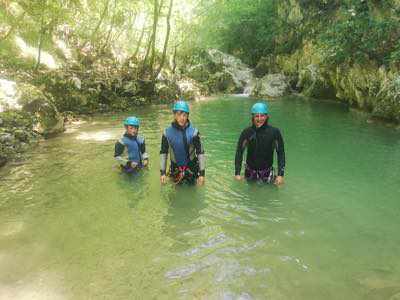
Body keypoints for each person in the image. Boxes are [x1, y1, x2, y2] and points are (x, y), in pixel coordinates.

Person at [234, 102, 285, 185]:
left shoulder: (274, 132)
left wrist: (280, 175)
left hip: (267, 173)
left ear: (267, 116)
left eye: (262, 116)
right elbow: (239, 152)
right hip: (250, 173)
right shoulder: (247, 132)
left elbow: (281, 153)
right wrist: (237, 173)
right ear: (253, 117)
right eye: (256, 116)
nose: (259, 119)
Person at [160, 100, 205, 185]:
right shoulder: (167, 133)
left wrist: (202, 174)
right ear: (174, 115)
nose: (182, 118)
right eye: (178, 114)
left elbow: (200, 152)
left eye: (184, 115)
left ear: (188, 116)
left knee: (193, 194)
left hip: (192, 169)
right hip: (175, 169)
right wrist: (162, 173)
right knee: (175, 195)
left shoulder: (194, 132)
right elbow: (163, 153)